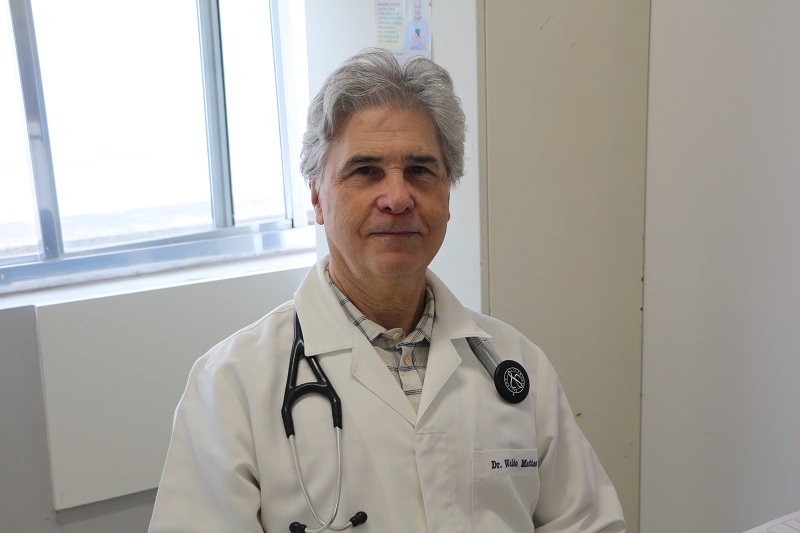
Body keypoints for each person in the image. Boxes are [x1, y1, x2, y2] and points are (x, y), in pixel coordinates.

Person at [149, 48, 626, 532]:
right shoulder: (230, 385)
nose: (398, 198)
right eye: (365, 170)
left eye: (420, 170)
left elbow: (588, 522)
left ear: (447, 192)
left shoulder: (517, 364)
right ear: (316, 195)